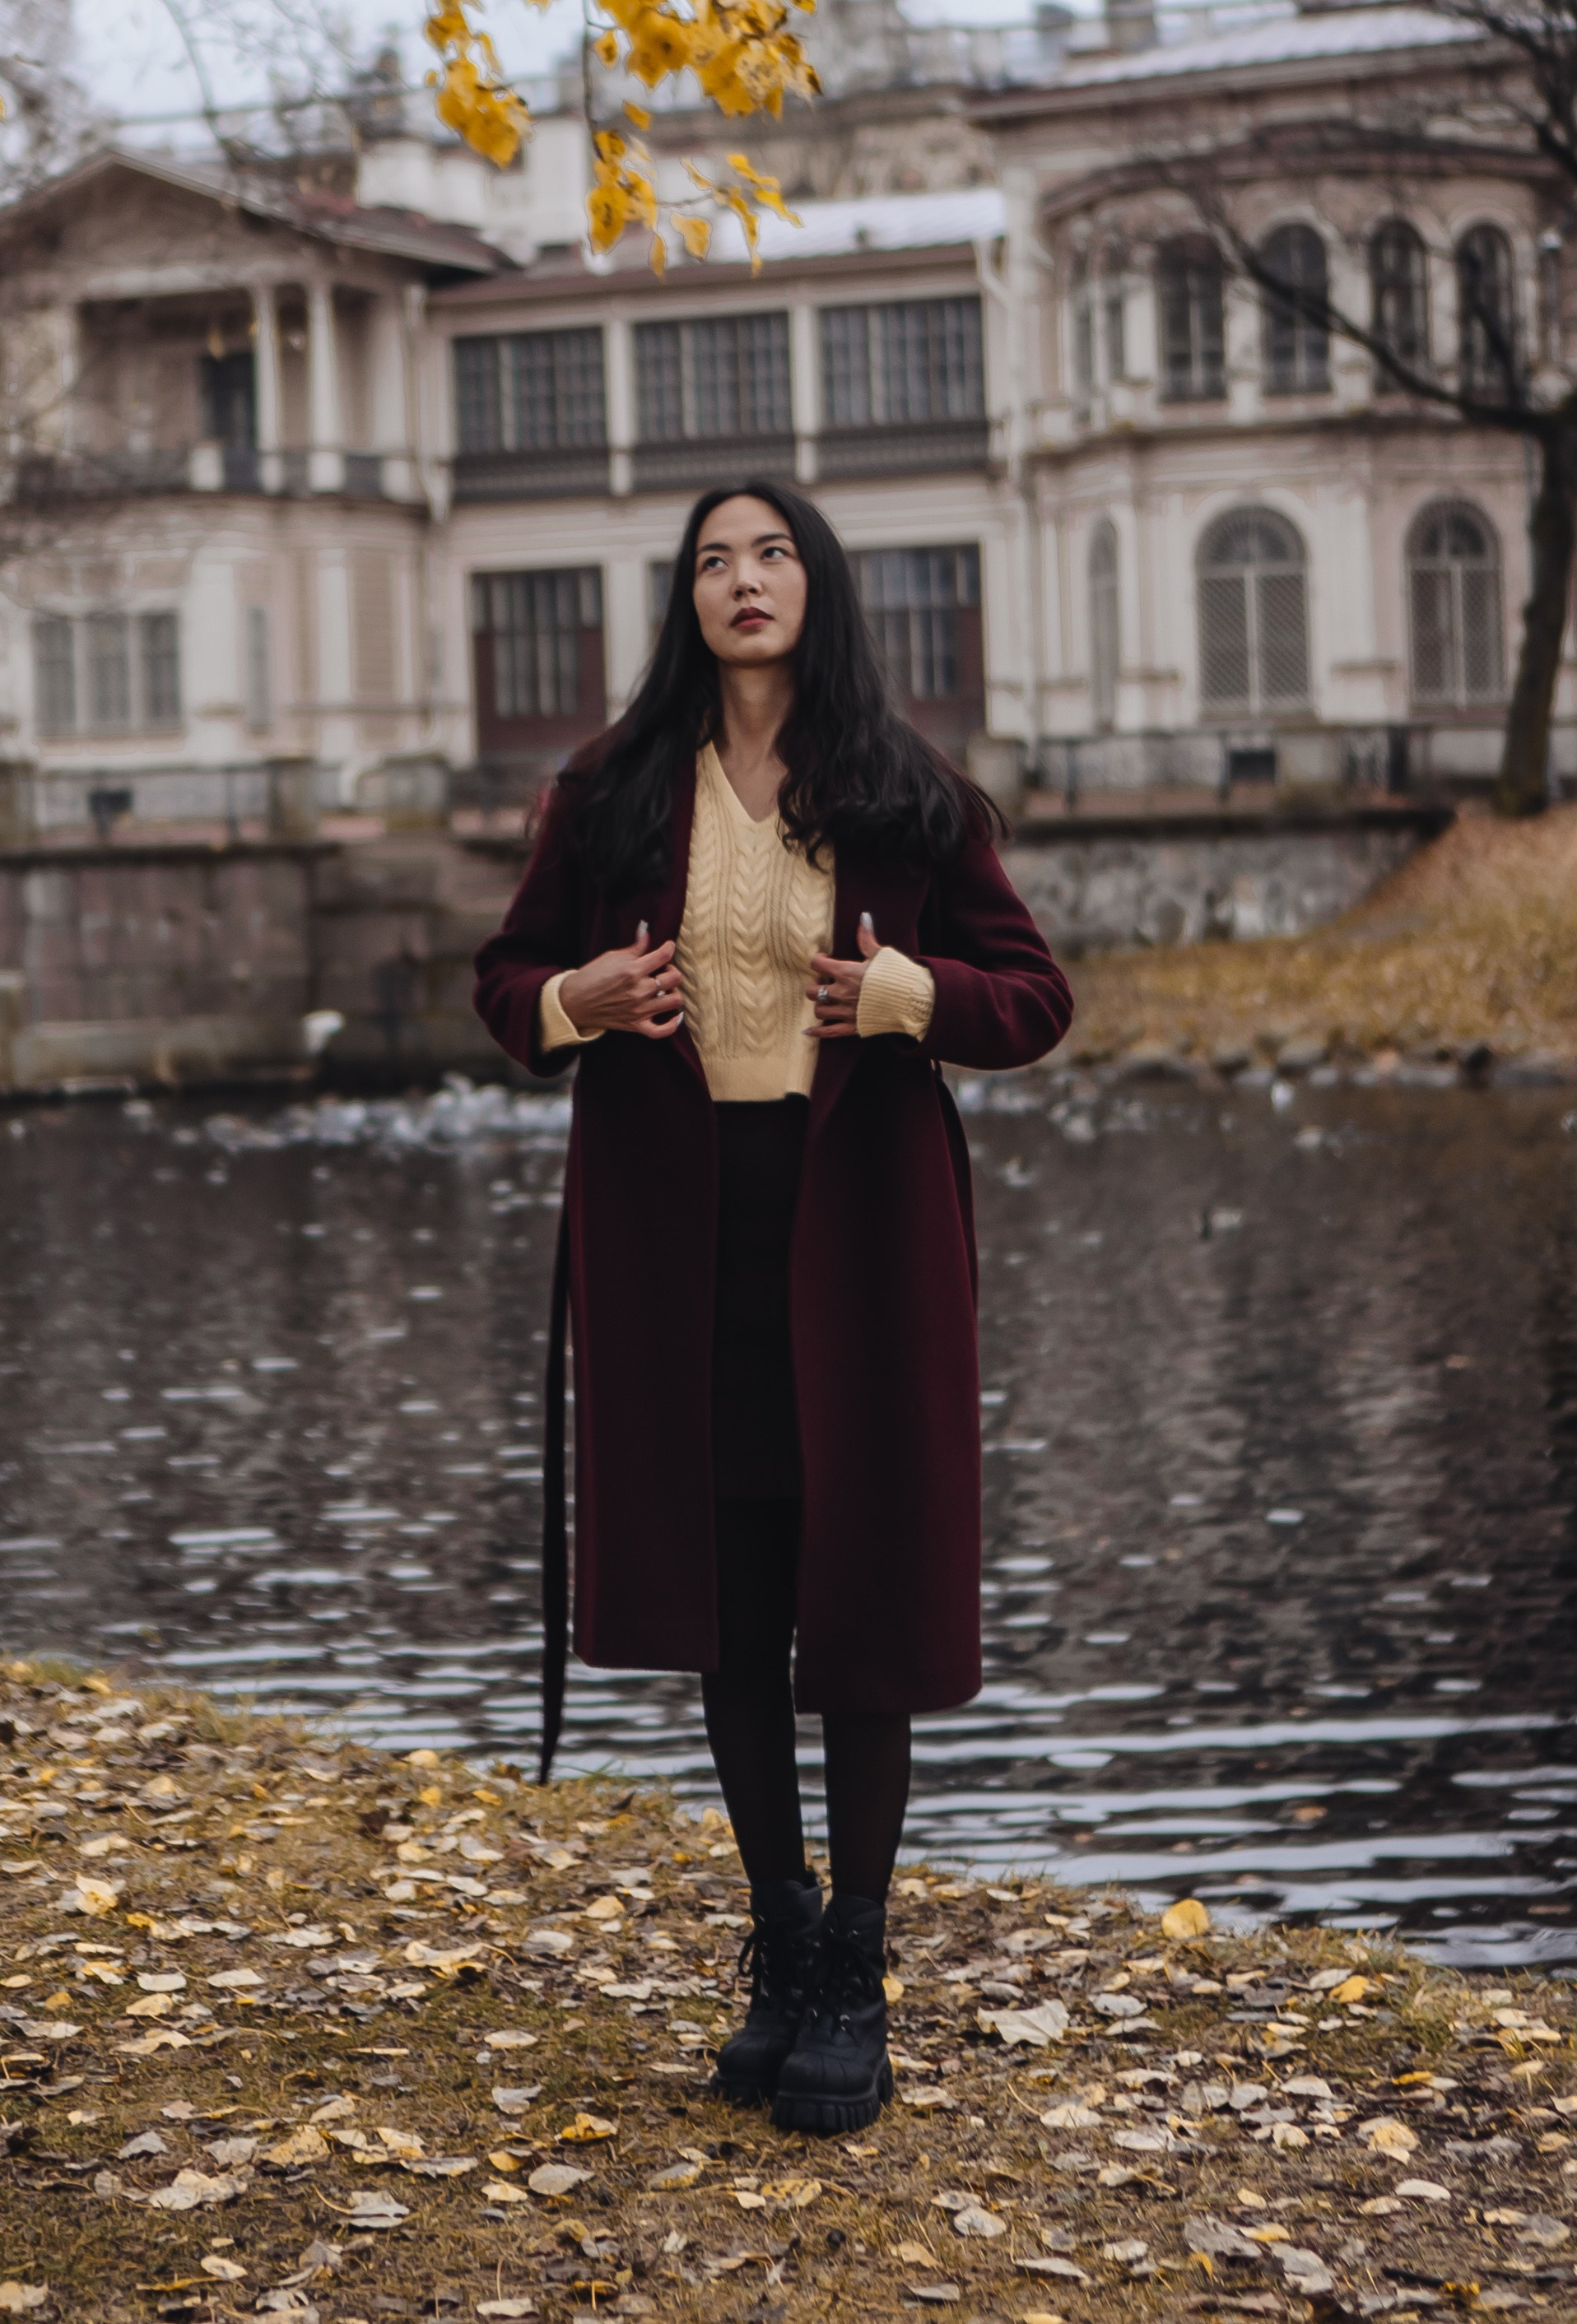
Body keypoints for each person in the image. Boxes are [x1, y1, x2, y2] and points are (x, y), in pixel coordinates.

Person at [472, 480, 1072, 2136]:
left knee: (856, 1592)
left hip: (862, 1233)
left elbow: (1035, 998)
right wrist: (572, 1004)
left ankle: (857, 1972)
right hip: (678, 1237)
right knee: (730, 1596)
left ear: (818, 586)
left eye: (771, 555)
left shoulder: (907, 795)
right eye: (711, 562)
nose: (742, 581)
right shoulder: (601, 796)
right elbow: (501, 986)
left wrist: (910, 999)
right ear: (683, 600)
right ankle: (779, 1936)